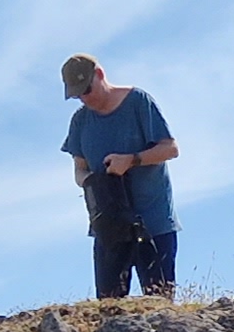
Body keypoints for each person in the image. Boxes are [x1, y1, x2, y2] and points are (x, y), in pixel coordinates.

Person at [59, 53, 181, 299]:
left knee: (160, 303)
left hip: (153, 223)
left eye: (87, 89)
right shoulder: (80, 121)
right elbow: (78, 170)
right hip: (109, 227)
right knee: (109, 307)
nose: (84, 98)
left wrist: (131, 160)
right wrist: (92, 180)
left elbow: (170, 149)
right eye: (77, 95)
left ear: (100, 75)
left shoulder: (138, 101)